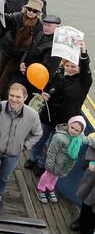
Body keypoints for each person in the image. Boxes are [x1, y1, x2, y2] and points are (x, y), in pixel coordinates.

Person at [26, 41, 91, 176]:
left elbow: (86, 67)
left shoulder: (84, 81)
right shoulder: (59, 75)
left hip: (65, 121)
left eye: (73, 66)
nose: (70, 68)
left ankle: (41, 163)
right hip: (49, 115)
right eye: (67, 65)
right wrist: (47, 94)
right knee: (40, 138)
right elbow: (50, 88)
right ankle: (33, 158)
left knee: (52, 144)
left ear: (79, 68)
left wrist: (83, 51)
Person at [0, 83, 42, 214]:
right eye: (11, 95)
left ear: (25, 97)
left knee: (5, 177)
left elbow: (38, 133)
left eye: (18, 96)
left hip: (14, 153)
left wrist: (24, 146)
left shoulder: (33, 115)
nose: (14, 99)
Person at [0, 0, 44, 98]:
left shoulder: (39, 26)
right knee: (0, 66)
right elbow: (7, 17)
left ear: (38, 13)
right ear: (26, 9)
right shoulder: (18, 16)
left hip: (20, 53)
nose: (31, 12)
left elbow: (33, 44)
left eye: (34, 11)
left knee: (7, 74)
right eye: (29, 9)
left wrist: (24, 59)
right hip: (7, 46)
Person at [35, 116, 87, 204]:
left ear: (81, 132)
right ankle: (40, 188)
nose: (73, 131)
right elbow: (52, 152)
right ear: (68, 125)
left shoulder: (79, 139)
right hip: (54, 162)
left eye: (77, 130)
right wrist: (50, 164)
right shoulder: (59, 137)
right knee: (48, 174)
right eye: (72, 127)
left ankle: (50, 187)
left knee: (56, 176)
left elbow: (87, 140)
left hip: (65, 164)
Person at [75, 142, 95, 232]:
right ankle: (81, 221)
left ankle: (89, 228)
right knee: (86, 200)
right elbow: (92, 146)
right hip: (93, 177)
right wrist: (92, 161)